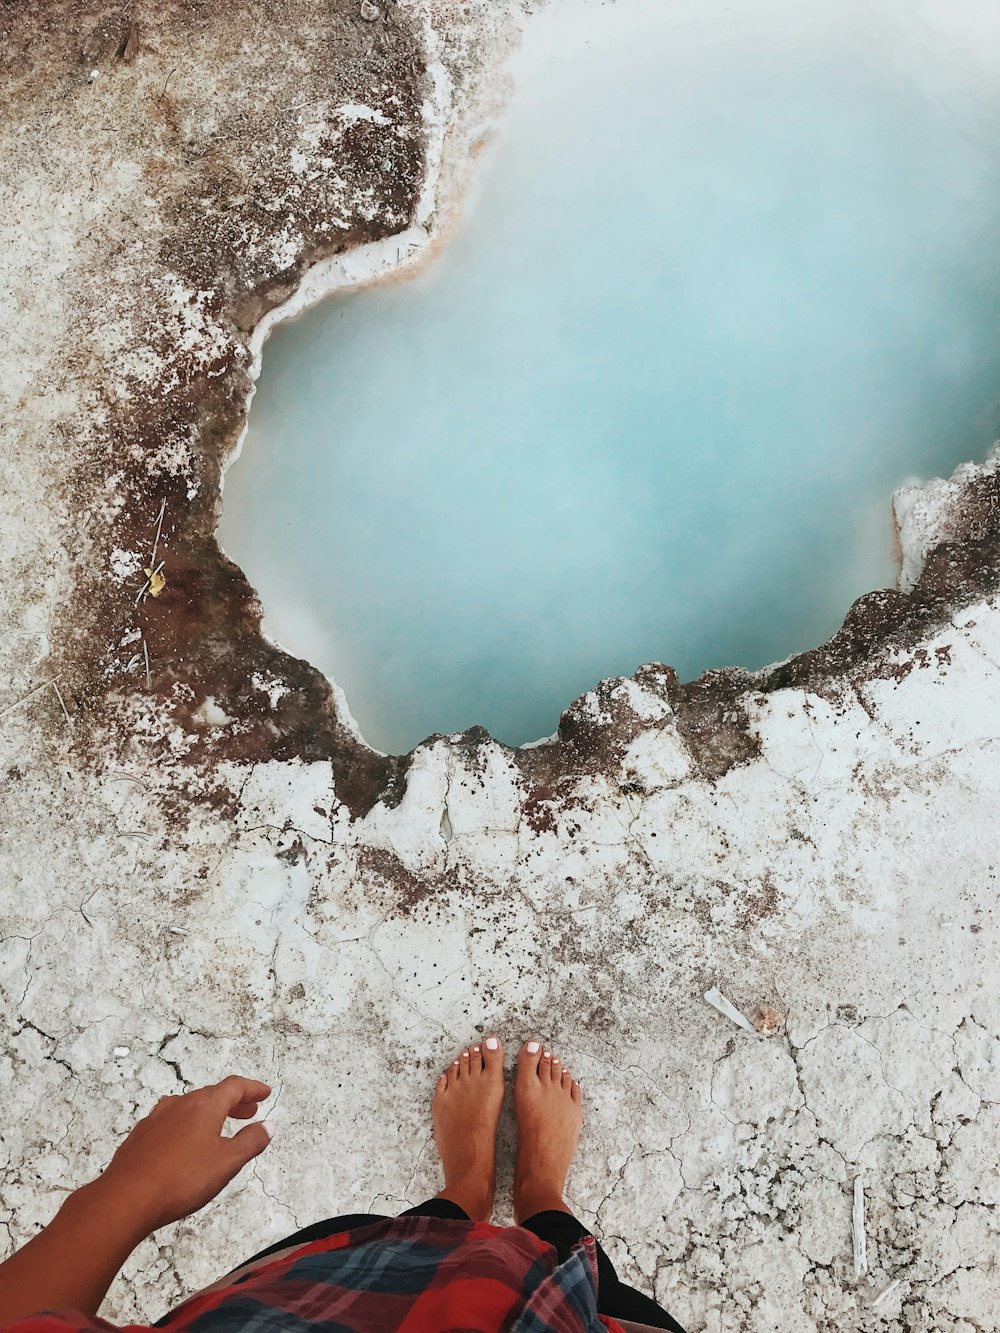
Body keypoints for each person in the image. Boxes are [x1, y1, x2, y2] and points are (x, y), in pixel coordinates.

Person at [0, 1038, 686, 1332]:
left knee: (411, 1242)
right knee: (585, 1282)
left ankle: (468, 1186)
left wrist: (130, 1188)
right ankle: (540, 1190)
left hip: (321, 1308)